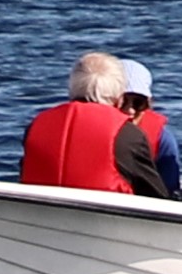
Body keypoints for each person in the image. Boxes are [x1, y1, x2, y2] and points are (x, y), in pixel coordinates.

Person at [21, 52, 172, 197]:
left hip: (37, 213)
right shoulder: (128, 135)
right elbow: (157, 197)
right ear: (118, 98)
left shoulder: (36, 126)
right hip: (108, 217)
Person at [117, 59, 182, 198]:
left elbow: (170, 194)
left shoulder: (164, 141)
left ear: (149, 104)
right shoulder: (87, 133)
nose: (130, 110)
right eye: (123, 101)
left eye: (138, 103)